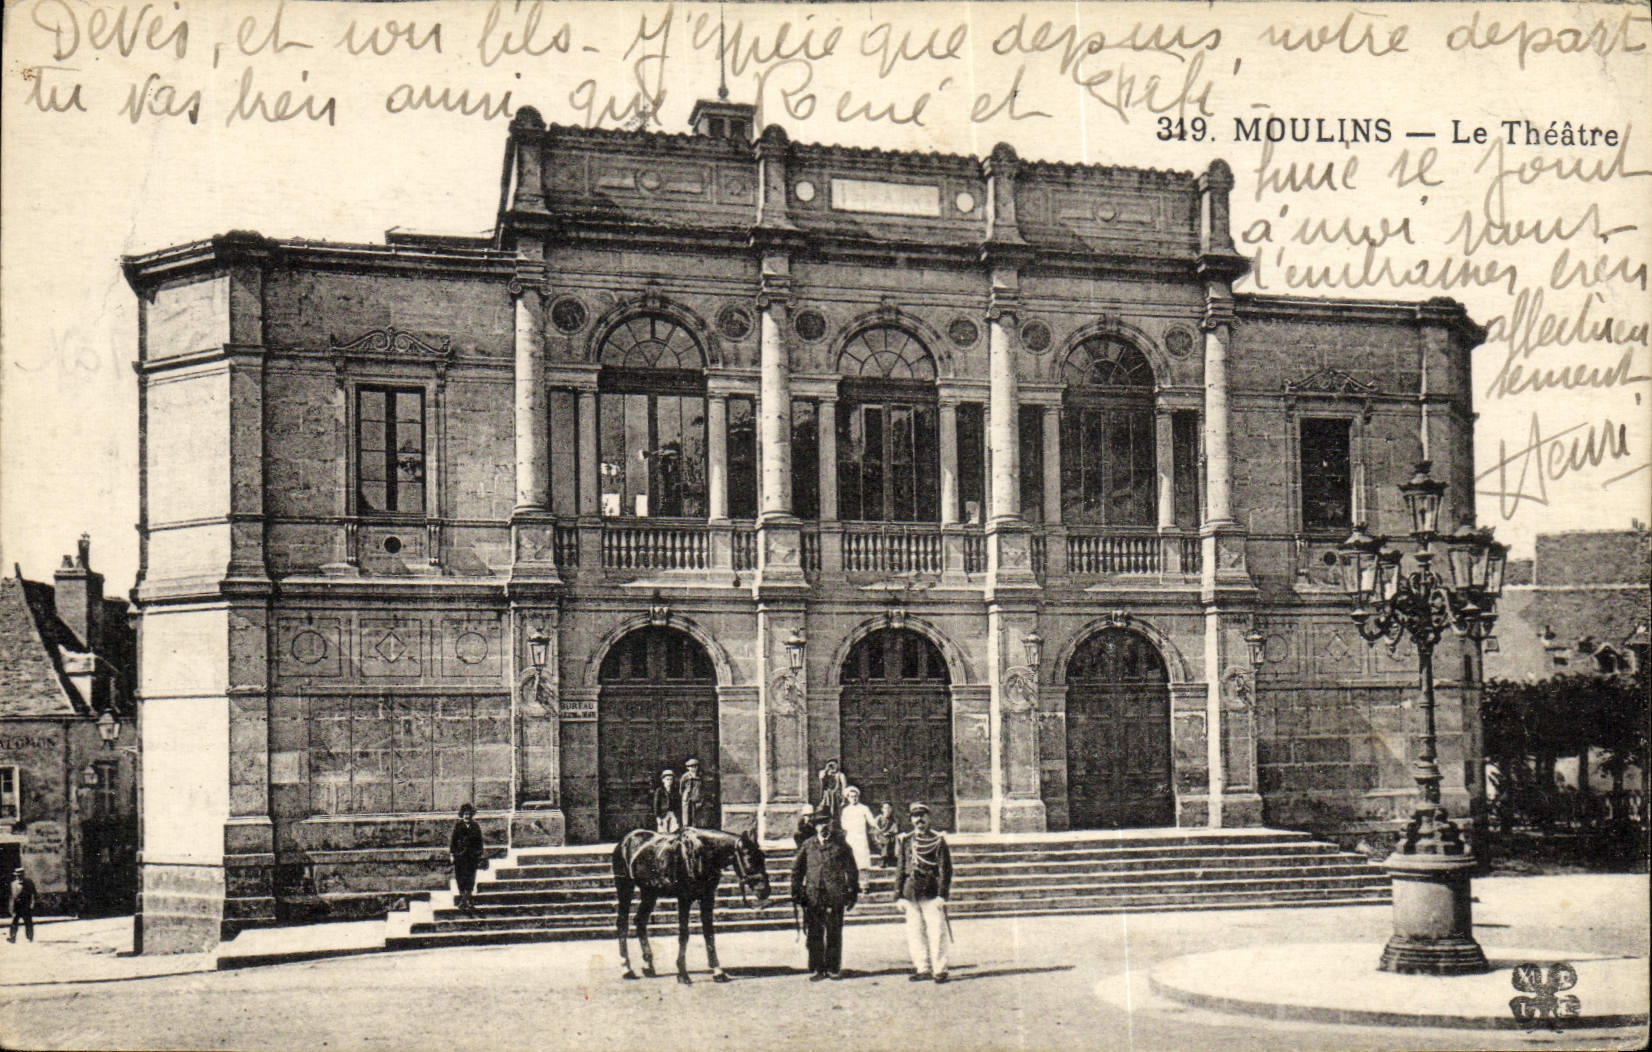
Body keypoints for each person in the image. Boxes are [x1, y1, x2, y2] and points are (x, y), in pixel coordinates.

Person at [790, 813, 859, 981]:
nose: (824, 827)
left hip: (835, 895)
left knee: (834, 931)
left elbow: (852, 870)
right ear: (815, 827)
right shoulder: (808, 845)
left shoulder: (841, 845)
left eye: (826, 823)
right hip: (813, 895)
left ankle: (833, 968)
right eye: (820, 824)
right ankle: (818, 969)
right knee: (814, 932)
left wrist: (852, 892)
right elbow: (797, 870)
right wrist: (796, 891)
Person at [892, 802, 953, 982]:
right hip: (910, 892)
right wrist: (898, 895)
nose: (919, 820)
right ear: (911, 820)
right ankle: (922, 968)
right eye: (915, 816)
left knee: (937, 933)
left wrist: (942, 895)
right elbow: (900, 868)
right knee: (915, 933)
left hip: (931, 892)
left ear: (929, 818)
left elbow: (945, 870)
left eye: (922, 816)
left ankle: (940, 969)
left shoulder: (938, 840)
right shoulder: (906, 840)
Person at [449, 804, 486, 915]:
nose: (467, 816)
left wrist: (479, 854)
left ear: (472, 815)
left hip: (471, 857)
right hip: (460, 857)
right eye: (465, 814)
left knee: (470, 878)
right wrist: (452, 854)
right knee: (460, 878)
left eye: (469, 814)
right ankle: (463, 899)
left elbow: (479, 842)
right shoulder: (458, 826)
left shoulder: (475, 826)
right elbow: (453, 841)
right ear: (462, 815)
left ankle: (467, 900)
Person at [838, 786, 876, 876]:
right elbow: (843, 824)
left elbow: (871, 821)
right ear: (848, 798)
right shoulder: (846, 810)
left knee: (862, 857)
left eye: (855, 796)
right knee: (851, 856)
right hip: (851, 836)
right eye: (851, 796)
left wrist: (875, 826)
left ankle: (864, 879)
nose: (854, 798)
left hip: (861, 836)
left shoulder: (864, 808)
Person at [7, 867, 36, 943]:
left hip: (25, 905)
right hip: (16, 906)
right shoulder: (13, 884)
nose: (18, 876)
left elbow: (33, 894)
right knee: (14, 922)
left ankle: (29, 937)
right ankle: (12, 937)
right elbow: (11, 896)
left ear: (23, 875)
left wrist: (32, 904)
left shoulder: (29, 882)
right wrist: (10, 907)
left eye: (20, 875)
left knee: (28, 922)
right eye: (17, 875)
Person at [652, 769, 682, 834]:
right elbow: (656, 805)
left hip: (672, 814)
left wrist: (677, 817)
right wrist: (658, 817)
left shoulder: (675, 791)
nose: (669, 781)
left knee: (674, 831)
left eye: (671, 779)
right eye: (667, 779)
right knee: (663, 832)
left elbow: (678, 805)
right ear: (663, 780)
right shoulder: (659, 791)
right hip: (663, 814)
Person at [679, 758, 705, 828]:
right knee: (686, 813)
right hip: (687, 797)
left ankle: (695, 827)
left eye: (695, 766)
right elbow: (681, 787)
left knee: (696, 814)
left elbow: (702, 788)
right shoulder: (685, 776)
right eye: (691, 767)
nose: (693, 768)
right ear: (688, 768)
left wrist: (700, 798)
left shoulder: (699, 776)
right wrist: (684, 795)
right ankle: (686, 826)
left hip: (696, 797)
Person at [872, 801, 899, 868]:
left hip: (889, 837)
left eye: (889, 808)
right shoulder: (879, 818)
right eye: (885, 808)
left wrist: (890, 833)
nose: (887, 810)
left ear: (891, 809)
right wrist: (881, 834)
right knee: (886, 840)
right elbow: (875, 829)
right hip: (878, 838)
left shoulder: (893, 819)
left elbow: (895, 830)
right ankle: (883, 860)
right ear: (882, 809)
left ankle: (892, 859)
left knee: (893, 840)